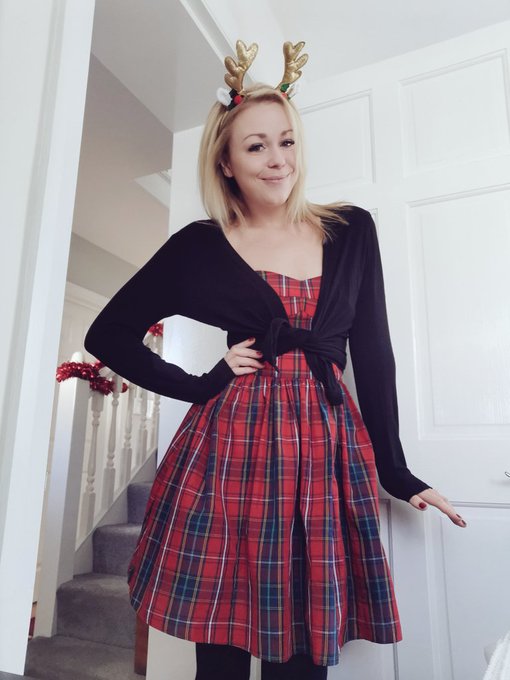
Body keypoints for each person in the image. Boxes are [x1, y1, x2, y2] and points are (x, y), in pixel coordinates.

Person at [84, 40, 467, 680]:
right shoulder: (199, 247)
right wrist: (199, 384)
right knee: (222, 648)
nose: (277, 159)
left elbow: (374, 352)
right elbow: (109, 333)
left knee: (305, 648)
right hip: (230, 446)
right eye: (256, 146)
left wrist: (396, 471)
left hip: (322, 450)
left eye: (286, 141)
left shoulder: (350, 230)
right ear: (226, 162)